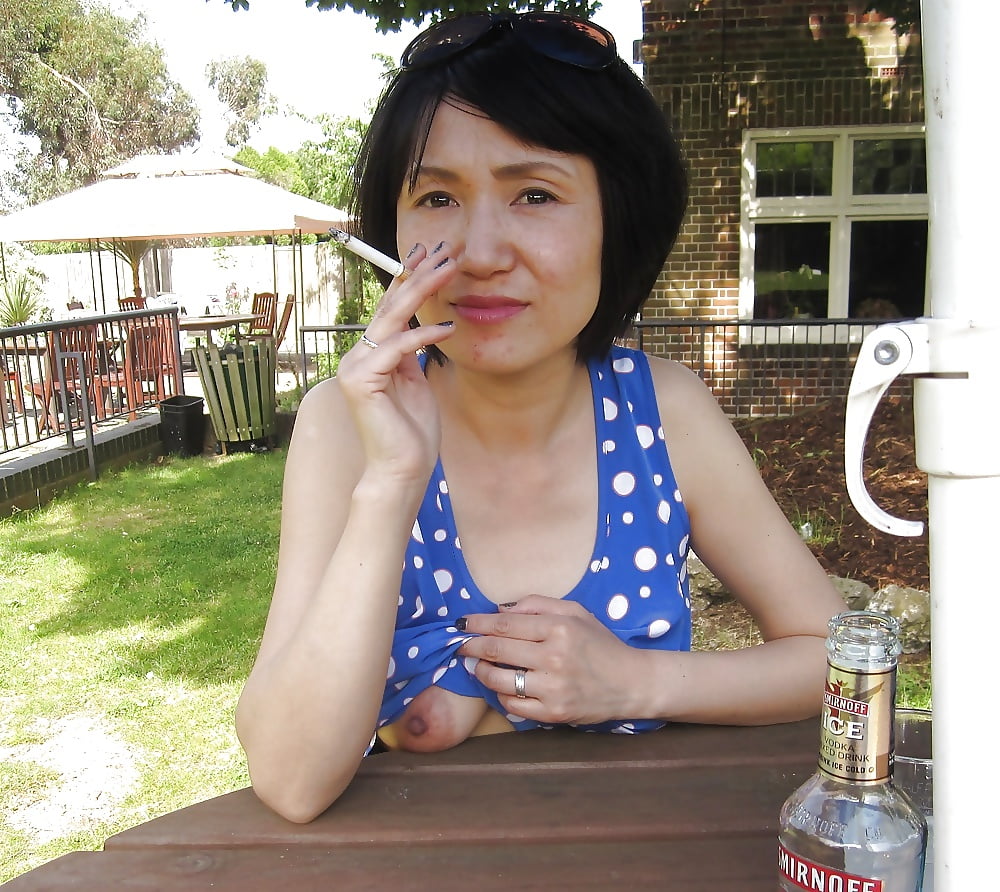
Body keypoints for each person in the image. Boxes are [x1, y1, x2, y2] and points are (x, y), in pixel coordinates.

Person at [235, 12, 846, 824]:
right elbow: (289, 779)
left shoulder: (663, 411)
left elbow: (837, 661)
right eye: (438, 197)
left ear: (616, 220)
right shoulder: (346, 422)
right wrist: (391, 482)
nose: (482, 253)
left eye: (535, 195)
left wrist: (635, 682)